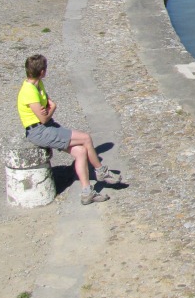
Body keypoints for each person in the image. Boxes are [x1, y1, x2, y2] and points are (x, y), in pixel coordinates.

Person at [17, 54, 121, 205]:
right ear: (42, 72)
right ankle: (101, 171)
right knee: (86, 138)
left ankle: (87, 193)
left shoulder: (37, 84)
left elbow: (46, 104)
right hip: (39, 131)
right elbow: (44, 117)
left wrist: (48, 108)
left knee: (80, 151)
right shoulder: (29, 92)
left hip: (45, 126)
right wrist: (53, 107)